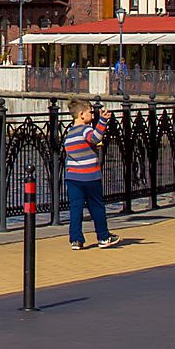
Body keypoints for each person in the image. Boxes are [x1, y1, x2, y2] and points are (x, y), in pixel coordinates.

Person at [62, 97, 120, 249]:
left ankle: (76, 239)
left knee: (75, 209)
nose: (92, 116)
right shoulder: (85, 129)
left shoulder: (69, 134)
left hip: (73, 177)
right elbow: (94, 138)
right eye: (90, 113)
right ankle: (103, 236)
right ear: (81, 114)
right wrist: (102, 121)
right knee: (97, 207)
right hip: (90, 176)